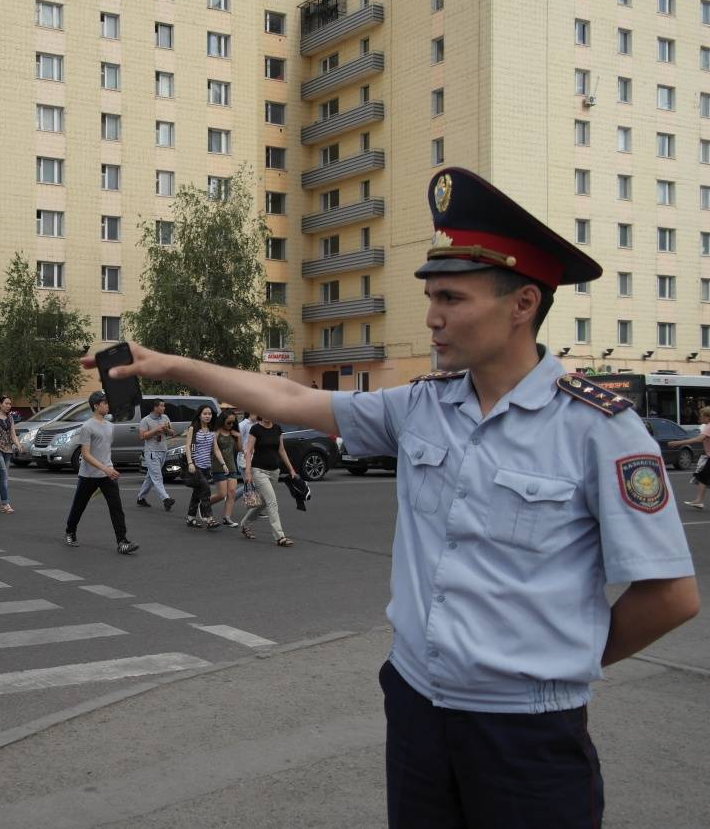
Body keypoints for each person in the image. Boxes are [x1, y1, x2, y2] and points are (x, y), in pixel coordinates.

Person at [88, 167, 700, 827]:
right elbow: (293, 398)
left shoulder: (598, 429)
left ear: (523, 303)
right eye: (430, 295)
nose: (431, 318)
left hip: (528, 735)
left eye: (452, 299)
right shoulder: (421, 406)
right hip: (417, 709)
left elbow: (669, 596)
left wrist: (560, 661)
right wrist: (172, 366)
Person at [63, 391, 138, 554]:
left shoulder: (110, 426)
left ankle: (122, 542)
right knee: (79, 506)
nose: (107, 405)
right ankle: (70, 531)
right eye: (105, 403)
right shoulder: (87, 426)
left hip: (107, 475)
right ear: (96, 406)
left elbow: (105, 450)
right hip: (89, 475)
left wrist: (108, 468)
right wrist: (105, 468)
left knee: (116, 507)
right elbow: (86, 454)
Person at [239, 417, 297, 546]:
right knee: (272, 502)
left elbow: (281, 450)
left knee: (263, 502)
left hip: (274, 471)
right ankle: (279, 536)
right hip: (259, 470)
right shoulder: (256, 429)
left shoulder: (277, 428)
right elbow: (248, 451)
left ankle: (244, 524)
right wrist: (248, 471)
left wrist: (291, 469)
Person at [183, 404, 223, 529]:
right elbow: (188, 447)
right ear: (199, 415)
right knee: (206, 490)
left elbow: (215, 449)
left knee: (197, 492)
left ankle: (190, 518)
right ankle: (209, 518)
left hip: (207, 466)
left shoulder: (212, 430)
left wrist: (223, 464)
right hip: (196, 466)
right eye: (205, 414)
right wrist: (190, 463)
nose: (207, 416)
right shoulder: (193, 429)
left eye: (209, 414)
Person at [135, 399, 177, 511]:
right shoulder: (145, 420)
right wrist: (155, 430)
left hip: (163, 450)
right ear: (155, 408)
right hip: (151, 452)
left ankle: (141, 498)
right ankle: (166, 499)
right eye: (162, 406)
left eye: (164, 406)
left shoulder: (165, 418)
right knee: (157, 477)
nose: (164, 408)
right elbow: (142, 436)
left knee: (150, 477)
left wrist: (166, 430)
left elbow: (173, 433)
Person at [669, 406, 710, 508]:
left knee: (702, 477)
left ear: (708, 418)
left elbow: (698, 439)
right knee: (703, 477)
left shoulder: (709, 426)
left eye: (702, 416)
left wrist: (678, 443)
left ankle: (698, 501)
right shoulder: (707, 426)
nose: (700, 417)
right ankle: (698, 500)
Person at [207, 410, 241, 526]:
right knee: (222, 494)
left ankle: (227, 518)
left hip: (231, 466)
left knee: (231, 493)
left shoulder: (233, 433)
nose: (231, 425)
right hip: (218, 466)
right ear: (223, 421)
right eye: (229, 422)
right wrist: (222, 464)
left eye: (233, 422)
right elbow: (213, 450)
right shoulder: (216, 433)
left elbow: (240, 449)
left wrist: (239, 437)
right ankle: (205, 503)